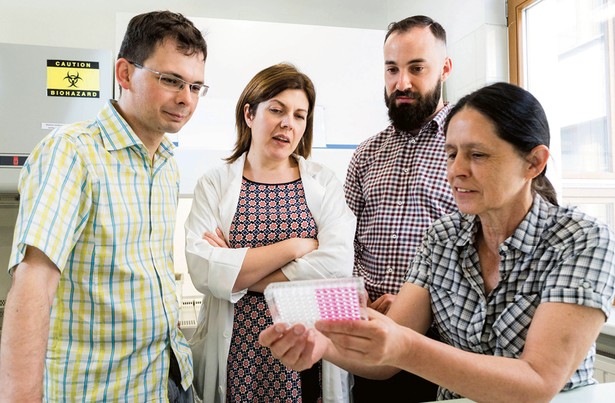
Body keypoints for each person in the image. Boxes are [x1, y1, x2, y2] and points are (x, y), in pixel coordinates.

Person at [260, 82, 615, 401]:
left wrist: (406, 347)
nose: (456, 170)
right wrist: (322, 344)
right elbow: (385, 359)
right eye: (451, 153)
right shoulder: (442, 238)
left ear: (534, 163)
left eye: (477, 155)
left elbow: (537, 383)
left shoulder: (581, 241)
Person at [0, 11, 207, 402]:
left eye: (196, 86)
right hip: (103, 390)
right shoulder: (73, 154)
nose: (186, 99)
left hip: (167, 378)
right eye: (171, 81)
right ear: (125, 74)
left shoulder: (166, 163)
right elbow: (32, 287)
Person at [184, 63, 356, 402]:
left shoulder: (323, 182)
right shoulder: (214, 184)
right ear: (249, 113)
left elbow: (336, 266)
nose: (287, 124)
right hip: (237, 353)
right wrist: (297, 246)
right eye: (276, 110)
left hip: (305, 353)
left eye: (299, 115)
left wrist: (238, 273)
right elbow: (204, 270)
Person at [343, 15, 457, 401]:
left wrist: (413, 302)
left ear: (445, 68)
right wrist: (358, 293)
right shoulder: (366, 154)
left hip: (445, 343)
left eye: (416, 68)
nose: (402, 83)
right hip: (371, 334)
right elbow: (344, 244)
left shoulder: (468, 149)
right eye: (392, 69)